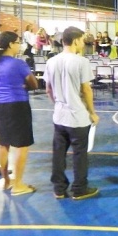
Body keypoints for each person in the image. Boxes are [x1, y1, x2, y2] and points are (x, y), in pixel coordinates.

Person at [45, 26, 100, 200]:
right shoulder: (81, 62)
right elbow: (86, 89)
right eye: (82, 40)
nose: (83, 43)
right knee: (79, 154)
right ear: (76, 41)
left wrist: (58, 103)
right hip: (77, 116)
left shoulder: (51, 61)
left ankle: (59, 188)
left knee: (58, 153)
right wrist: (92, 112)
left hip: (59, 115)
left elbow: (48, 89)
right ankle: (79, 188)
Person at [0, 31, 39, 195]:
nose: (20, 45)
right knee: (22, 146)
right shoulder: (18, 64)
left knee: (3, 144)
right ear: (10, 44)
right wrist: (24, 85)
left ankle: (6, 181)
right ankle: (18, 185)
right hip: (17, 105)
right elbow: (34, 84)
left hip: (0, 105)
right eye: (18, 42)